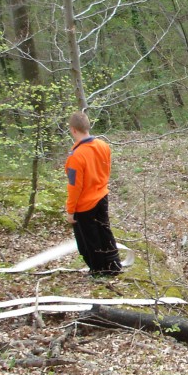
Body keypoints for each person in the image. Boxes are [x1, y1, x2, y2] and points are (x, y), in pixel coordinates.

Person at [65, 111, 122, 277]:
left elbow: (74, 187)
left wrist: (70, 210)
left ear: (73, 130)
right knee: (105, 231)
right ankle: (113, 265)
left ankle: (98, 270)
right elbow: (106, 170)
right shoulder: (103, 146)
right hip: (102, 196)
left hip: (84, 204)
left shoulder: (76, 157)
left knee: (88, 241)